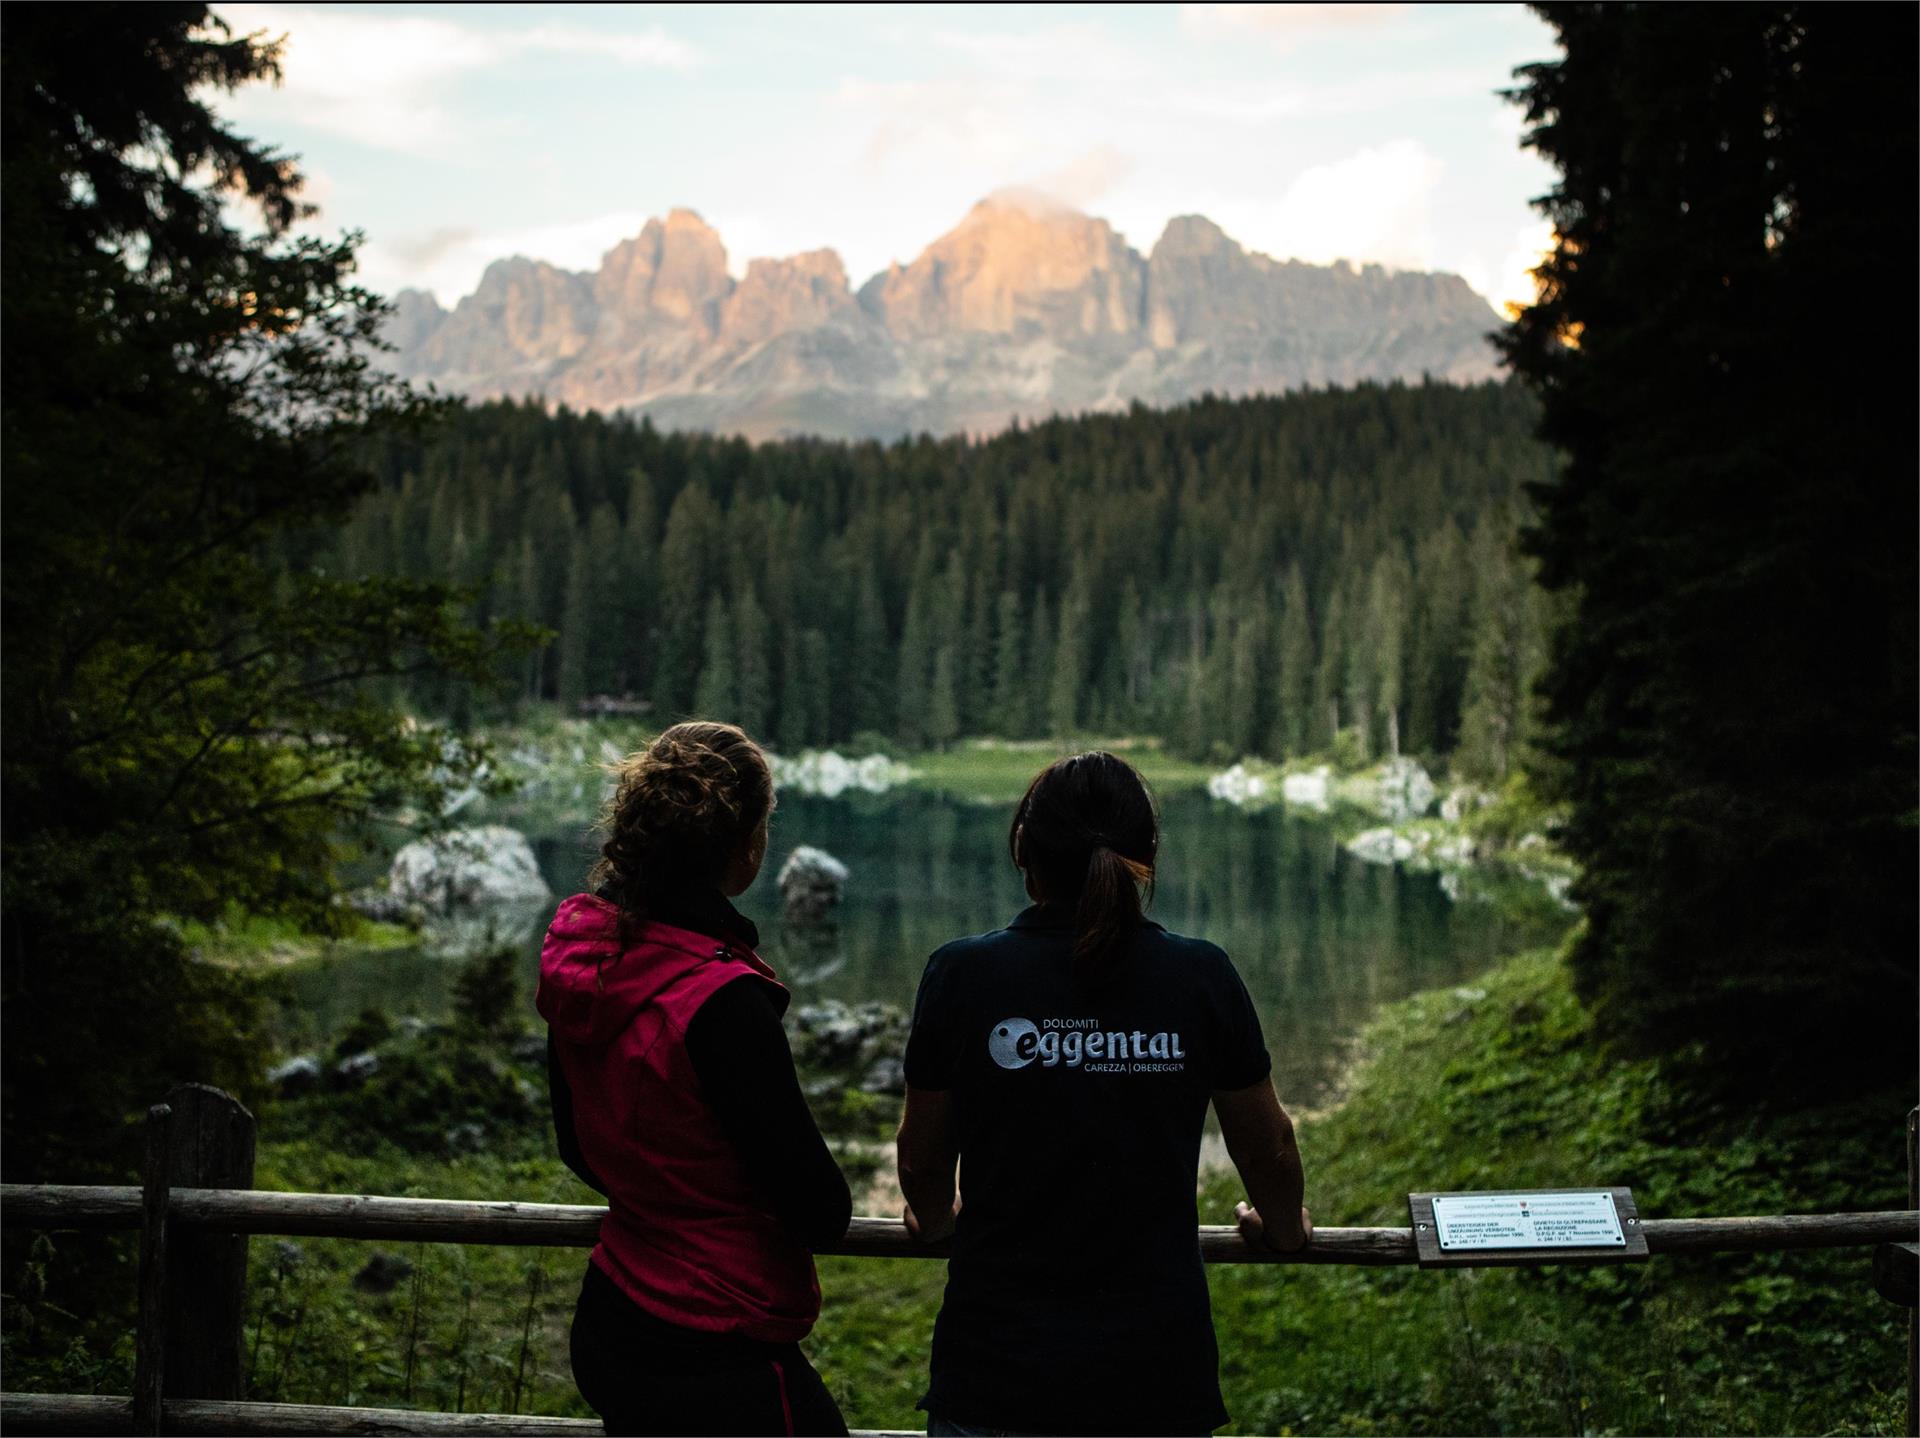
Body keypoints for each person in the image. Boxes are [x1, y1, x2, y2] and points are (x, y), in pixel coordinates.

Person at [895, 750, 1309, 1437]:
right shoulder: (1201, 976)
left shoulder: (962, 973)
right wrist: (1287, 1232)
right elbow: (1268, 1148)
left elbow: (922, 1160)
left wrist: (935, 1219)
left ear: (1024, 849)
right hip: (1153, 1379)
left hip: (996, 1376)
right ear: (1146, 854)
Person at [537, 721, 853, 1437]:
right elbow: (821, 1210)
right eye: (765, 824)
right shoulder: (721, 999)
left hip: (614, 1315)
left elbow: (577, 1148)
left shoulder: (583, 956)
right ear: (746, 847)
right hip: (713, 1343)